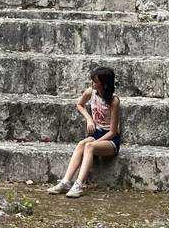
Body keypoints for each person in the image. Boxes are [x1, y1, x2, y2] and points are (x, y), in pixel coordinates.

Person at [47, 66, 121, 198]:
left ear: (104, 84)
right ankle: (66, 182)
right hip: (96, 133)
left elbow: (113, 132)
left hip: (111, 139)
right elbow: (79, 104)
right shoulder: (90, 92)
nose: (91, 83)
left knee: (89, 146)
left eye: (95, 81)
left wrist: (95, 143)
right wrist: (89, 119)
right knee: (82, 143)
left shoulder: (114, 101)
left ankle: (79, 185)